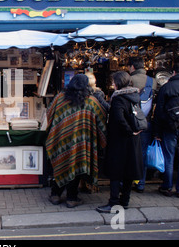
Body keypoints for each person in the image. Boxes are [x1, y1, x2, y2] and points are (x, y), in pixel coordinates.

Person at [45, 74, 107, 208]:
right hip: (81, 142)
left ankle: (55, 195)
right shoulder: (91, 101)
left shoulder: (60, 98)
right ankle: (71, 198)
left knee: (60, 164)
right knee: (76, 166)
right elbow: (102, 118)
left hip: (61, 139)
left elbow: (49, 113)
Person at [96, 71, 144, 213]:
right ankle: (125, 201)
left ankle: (113, 203)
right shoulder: (135, 95)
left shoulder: (118, 98)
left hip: (120, 141)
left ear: (118, 83)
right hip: (133, 140)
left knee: (116, 173)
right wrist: (133, 132)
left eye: (113, 82)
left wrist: (128, 131)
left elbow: (118, 119)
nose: (112, 84)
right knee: (129, 171)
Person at [128, 57, 157, 193]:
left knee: (129, 152)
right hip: (146, 121)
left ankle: (127, 181)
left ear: (132, 67)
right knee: (143, 152)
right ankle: (141, 183)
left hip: (131, 122)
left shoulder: (129, 80)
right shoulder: (153, 81)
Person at [153, 60, 179, 198]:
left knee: (168, 157)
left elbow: (158, 111)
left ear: (173, 72)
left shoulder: (166, 87)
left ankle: (167, 187)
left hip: (169, 127)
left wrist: (157, 132)